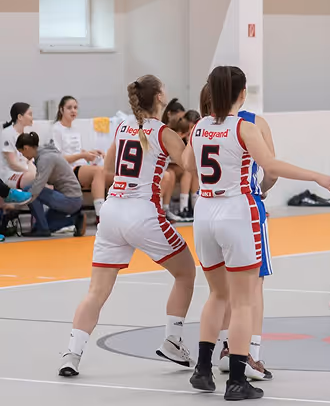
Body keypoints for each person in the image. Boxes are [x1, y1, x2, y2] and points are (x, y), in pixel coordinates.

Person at [186, 66, 330, 399]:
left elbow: (188, 164)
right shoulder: (245, 127)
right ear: (242, 94)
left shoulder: (199, 126)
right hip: (236, 210)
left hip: (204, 213)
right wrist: (315, 175)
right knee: (243, 302)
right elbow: (270, 167)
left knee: (217, 295)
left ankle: (202, 370)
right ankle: (237, 381)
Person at [58, 75, 197, 377]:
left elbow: (108, 169)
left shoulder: (122, 128)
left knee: (96, 291)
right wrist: (194, 138)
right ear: (160, 97)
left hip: (111, 211)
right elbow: (189, 166)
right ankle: (173, 339)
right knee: (186, 273)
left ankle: (72, 354)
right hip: (142, 212)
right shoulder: (164, 132)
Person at [216, 102, 279, 381]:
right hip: (245, 206)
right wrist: (261, 191)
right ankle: (250, 353)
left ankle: (224, 349)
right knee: (253, 283)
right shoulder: (254, 123)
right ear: (241, 94)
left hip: (210, 208)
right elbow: (272, 172)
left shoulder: (205, 124)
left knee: (222, 287)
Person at [16, 132, 85, 237]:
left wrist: (16, 205)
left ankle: (43, 230)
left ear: (26, 148)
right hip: (71, 198)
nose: (23, 156)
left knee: (28, 190)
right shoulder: (45, 154)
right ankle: (74, 220)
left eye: (22, 153)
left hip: (71, 199)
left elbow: (37, 188)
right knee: (46, 225)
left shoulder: (45, 159)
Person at [52, 96, 108, 220]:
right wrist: (83, 155)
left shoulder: (75, 130)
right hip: (67, 170)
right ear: (61, 110)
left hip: (80, 166)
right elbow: (59, 158)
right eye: (69, 108)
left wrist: (92, 153)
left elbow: (77, 151)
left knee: (108, 172)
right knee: (98, 171)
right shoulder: (56, 129)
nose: (73, 111)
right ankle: (100, 215)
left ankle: (111, 213)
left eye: (75, 108)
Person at [1, 103, 37, 190]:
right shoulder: (8, 133)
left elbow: (31, 159)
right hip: (10, 174)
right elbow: (13, 164)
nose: (32, 117)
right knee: (34, 177)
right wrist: (29, 171)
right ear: (20, 117)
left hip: (26, 171)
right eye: (30, 114)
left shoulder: (25, 135)